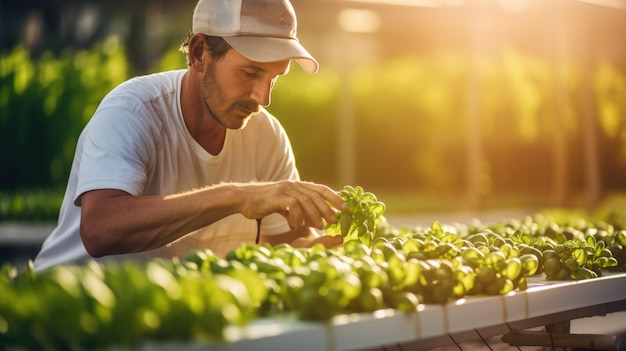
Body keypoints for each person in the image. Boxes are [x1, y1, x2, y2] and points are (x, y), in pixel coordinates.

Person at [33, 0, 346, 271]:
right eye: (250, 73)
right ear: (199, 53)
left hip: (174, 324)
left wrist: (317, 249)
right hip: (66, 319)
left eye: (274, 78)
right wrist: (239, 197)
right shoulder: (133, 111)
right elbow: (100, 229)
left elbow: (282, 246)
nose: (263, 98)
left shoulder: (268, 137)